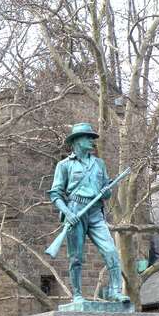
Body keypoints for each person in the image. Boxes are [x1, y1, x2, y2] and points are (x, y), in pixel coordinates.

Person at [46, 122, 129, 303]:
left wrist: (106, 192)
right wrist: (67, 212)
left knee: (111, 251)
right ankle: (77, 295)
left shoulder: (99, 164)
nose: (92, 140)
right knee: (76, 257)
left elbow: (106, 190)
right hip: (75, 211)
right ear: (77, 141)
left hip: (95, 212)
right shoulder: (64, 165)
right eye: (88, 137)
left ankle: (115, 292)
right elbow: (55, 194)